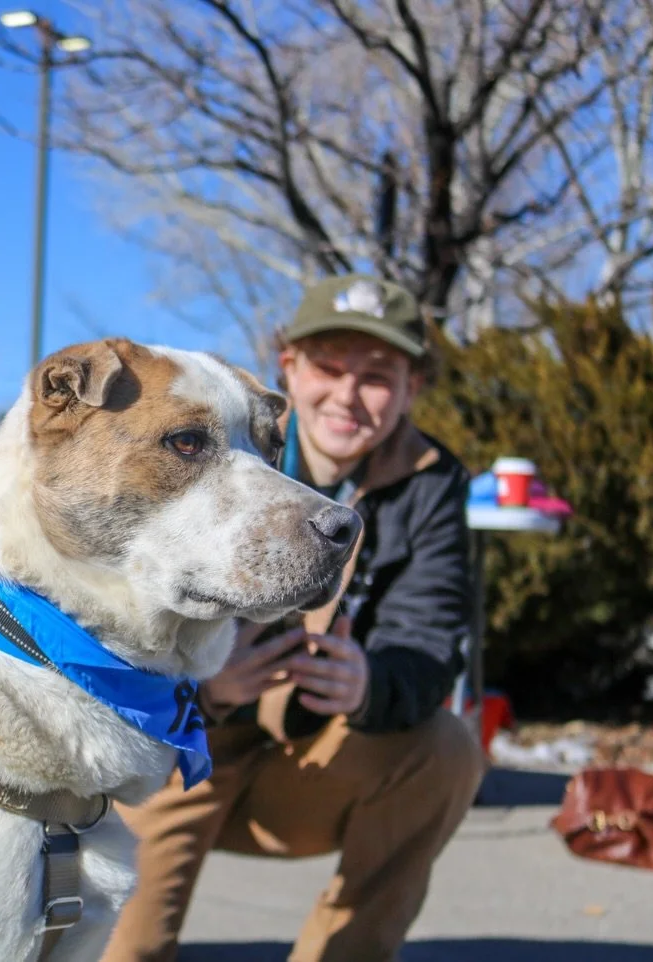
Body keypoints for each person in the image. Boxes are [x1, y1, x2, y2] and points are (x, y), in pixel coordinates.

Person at [101, 275, 487, 962]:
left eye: (376, 376)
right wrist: (206, 689)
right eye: (329, 368)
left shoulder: (433, 481)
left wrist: (370, 682)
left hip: (317, 761)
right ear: (291, 370)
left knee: (449, 747)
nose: (347, 394)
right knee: (119, 946)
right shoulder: (214, 449)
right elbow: (114, 615)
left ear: (411, 388)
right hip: (185, 746)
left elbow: (430, 635)